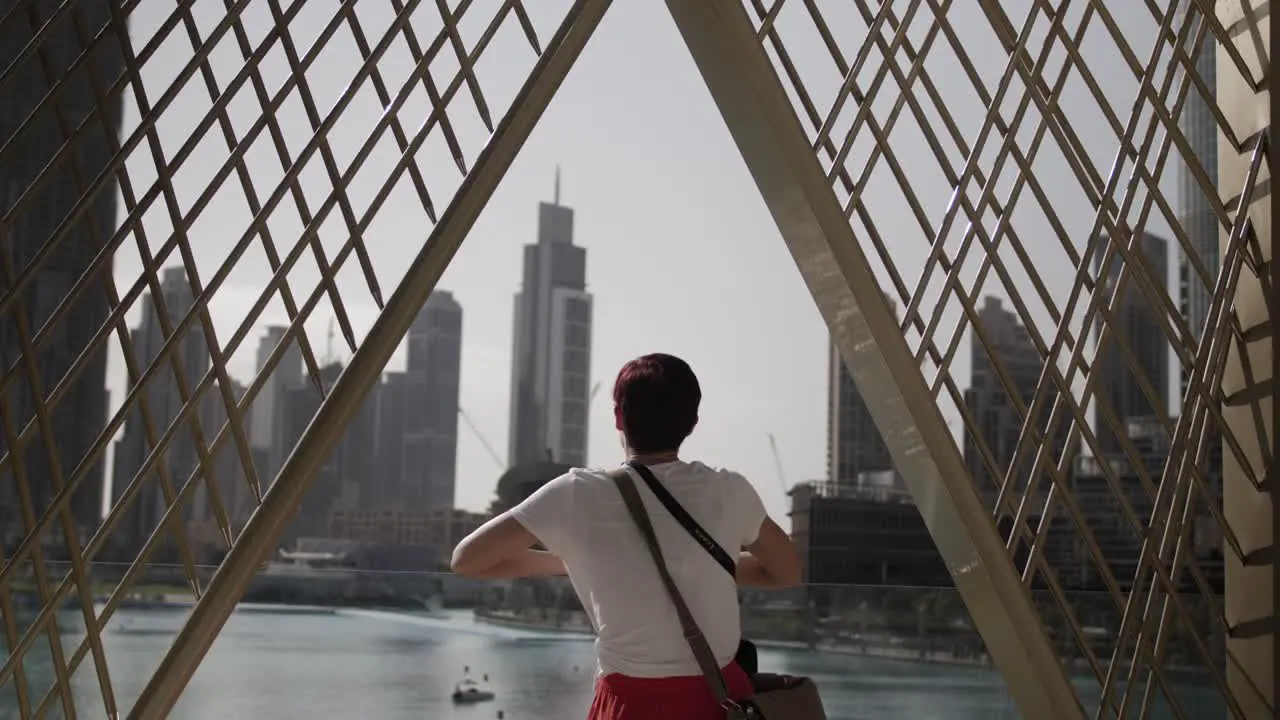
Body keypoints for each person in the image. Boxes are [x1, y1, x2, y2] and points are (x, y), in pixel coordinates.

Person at [452, 353, 801, 719]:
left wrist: (575, 562)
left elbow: (467, 560)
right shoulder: (730, 490)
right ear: (692, 422)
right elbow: (785, 572)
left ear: (618, 416)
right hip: (720, 703)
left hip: (631, 705)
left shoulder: (576, 492)